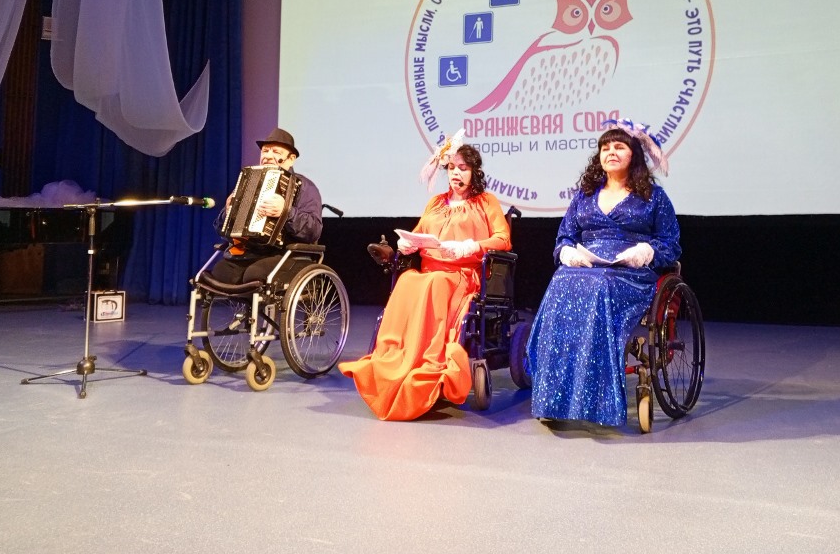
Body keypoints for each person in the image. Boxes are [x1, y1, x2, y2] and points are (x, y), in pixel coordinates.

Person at [339, 140, 511, 421]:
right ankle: (396, 359)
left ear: (474, 171)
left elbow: (503, 240)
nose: (456, 173)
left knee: (435, 283)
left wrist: (470, 246)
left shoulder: (485, 202)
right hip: (431, 272)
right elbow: (419, 233)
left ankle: (429, 361)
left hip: (462, 274)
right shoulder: (436, 202)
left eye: (463, 168)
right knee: (407, 280)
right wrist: (407, 244)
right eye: (451, 168)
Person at [526, 119, 681, 427]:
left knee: (601, 284)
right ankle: (553, 398)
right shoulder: (584, 196)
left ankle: (598, 402)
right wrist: (567, 252)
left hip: (630, 273)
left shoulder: (653, 197)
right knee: (560, 281)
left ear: (634, 155)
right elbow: (564, 237)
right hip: (587, 267)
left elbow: (671, 244)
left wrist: (646, 251)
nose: (611, 152)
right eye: (605, 147)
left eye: (619, 147)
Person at [210, 127, 322, 284]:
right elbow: (221, 229)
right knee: (220, 273)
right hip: (249, 253)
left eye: (276, 152)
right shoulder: (247, 182)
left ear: (291, 159)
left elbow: (314, 230)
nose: (268, 156)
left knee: (255, 274)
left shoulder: (305, 187)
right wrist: (228, 213)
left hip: (286, 255)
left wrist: (286, 212)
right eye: (265, 151)